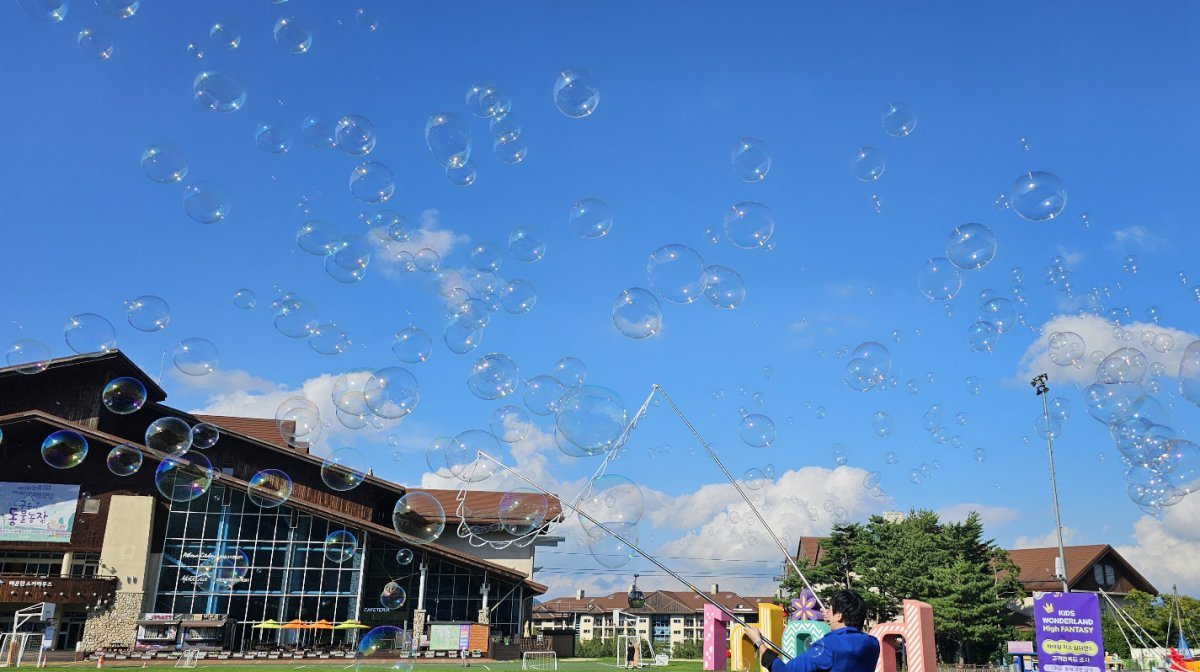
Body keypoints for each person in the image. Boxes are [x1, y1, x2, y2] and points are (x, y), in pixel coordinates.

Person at [745, 589, 880, 672]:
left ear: (839, 616)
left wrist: (759, 643)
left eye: (831, 610)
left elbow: (785, 670)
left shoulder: (827, 646)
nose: (828, 613)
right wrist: (834, 621)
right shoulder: (873, 644)